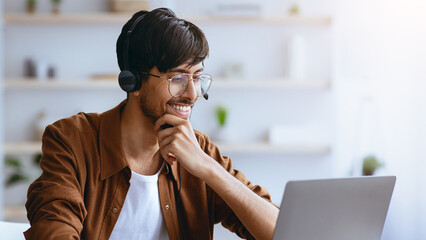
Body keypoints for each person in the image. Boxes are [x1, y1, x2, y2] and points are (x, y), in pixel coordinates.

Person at [25, 8, 279, 240]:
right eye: (177, 77)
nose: (192, 94)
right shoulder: (73, 140)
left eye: (198, 78)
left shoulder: (197, 148)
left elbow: (282, 232)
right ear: (132, 82)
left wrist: (207, 168)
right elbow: (54, 229)